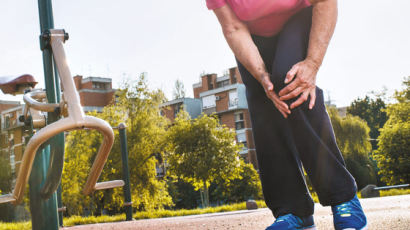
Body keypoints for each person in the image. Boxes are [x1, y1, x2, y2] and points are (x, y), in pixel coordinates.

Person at [205, 0, 368, 229]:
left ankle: (344, 198)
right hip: (251, 35)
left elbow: (326, 2)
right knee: (265, 106)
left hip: (300, 17)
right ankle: (293, 210)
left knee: (292, 82)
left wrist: (312, 63)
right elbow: (233, 27)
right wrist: (262, 76)